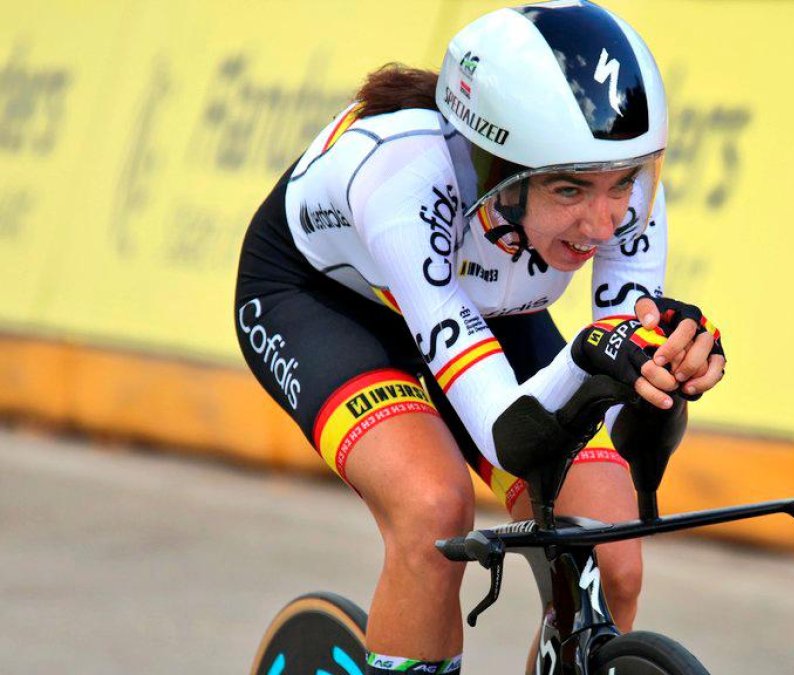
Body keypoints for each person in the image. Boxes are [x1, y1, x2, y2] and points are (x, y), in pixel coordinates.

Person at [234, 2, 725, 673]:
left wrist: (663, 372)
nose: (606, 222)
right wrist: (589, 352)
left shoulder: (622, 180)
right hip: (327, 302)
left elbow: (615, 405)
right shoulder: (405, 179)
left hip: (487, 310)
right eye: (570, 188)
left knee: (610, 550)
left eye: (622, 185)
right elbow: (506, 429)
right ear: (496, 169)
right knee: (433, 510)